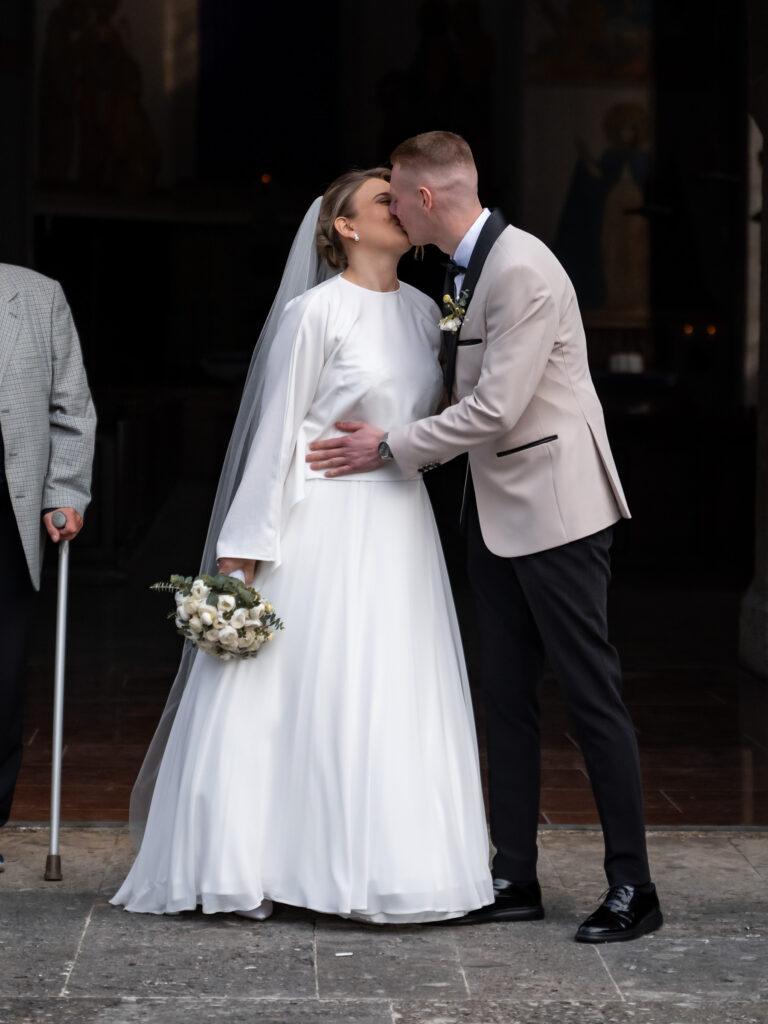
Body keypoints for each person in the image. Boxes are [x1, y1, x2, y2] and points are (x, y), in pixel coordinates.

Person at [307, 132, 663, 943]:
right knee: (504, 697)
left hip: (558, 514)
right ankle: (514, 875)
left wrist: (391, 446)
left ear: (426, 198)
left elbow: (497, 409)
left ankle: (633, 886)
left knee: (591, 696)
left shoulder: (523, 268)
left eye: (396, 195)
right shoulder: (463, 270)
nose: (393, 209)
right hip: (496, 513)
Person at [111, 169, 493, 923]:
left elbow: (435, 424)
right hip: (321, 524)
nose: (399, 207)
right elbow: (275, 433)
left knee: (391, 688)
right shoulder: (315, 312)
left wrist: (407, 451)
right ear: (344, 227)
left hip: (399, 525)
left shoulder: (427, 313)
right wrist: (241, 555)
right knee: (303, 692)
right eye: (382, 199)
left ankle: (382, 870)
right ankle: (265, 864)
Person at [0, 264, 96, 868]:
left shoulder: (37, 295)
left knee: (2, 673)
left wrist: (64, 492)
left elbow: (72, 409)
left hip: (6, 513)